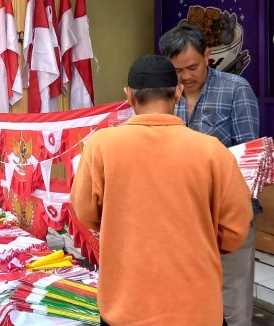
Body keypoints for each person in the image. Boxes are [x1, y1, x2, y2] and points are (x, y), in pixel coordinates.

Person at [70, 55, 252, 326]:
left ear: (129, 95)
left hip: (126, 308)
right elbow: (235, 229)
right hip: (196, 310)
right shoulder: (212, 150)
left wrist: (120, 225)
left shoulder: (101, 146)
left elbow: (85, 212)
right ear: (178, 92)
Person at [159, 23, 260, 326]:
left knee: (233, 295)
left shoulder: (235, 89)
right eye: (177, 70)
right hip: (181, 215)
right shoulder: (166, 97)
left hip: (227, 214)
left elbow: (248, 159)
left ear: (208, 55)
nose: (186, 77)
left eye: (192, 67)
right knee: (189, 293)